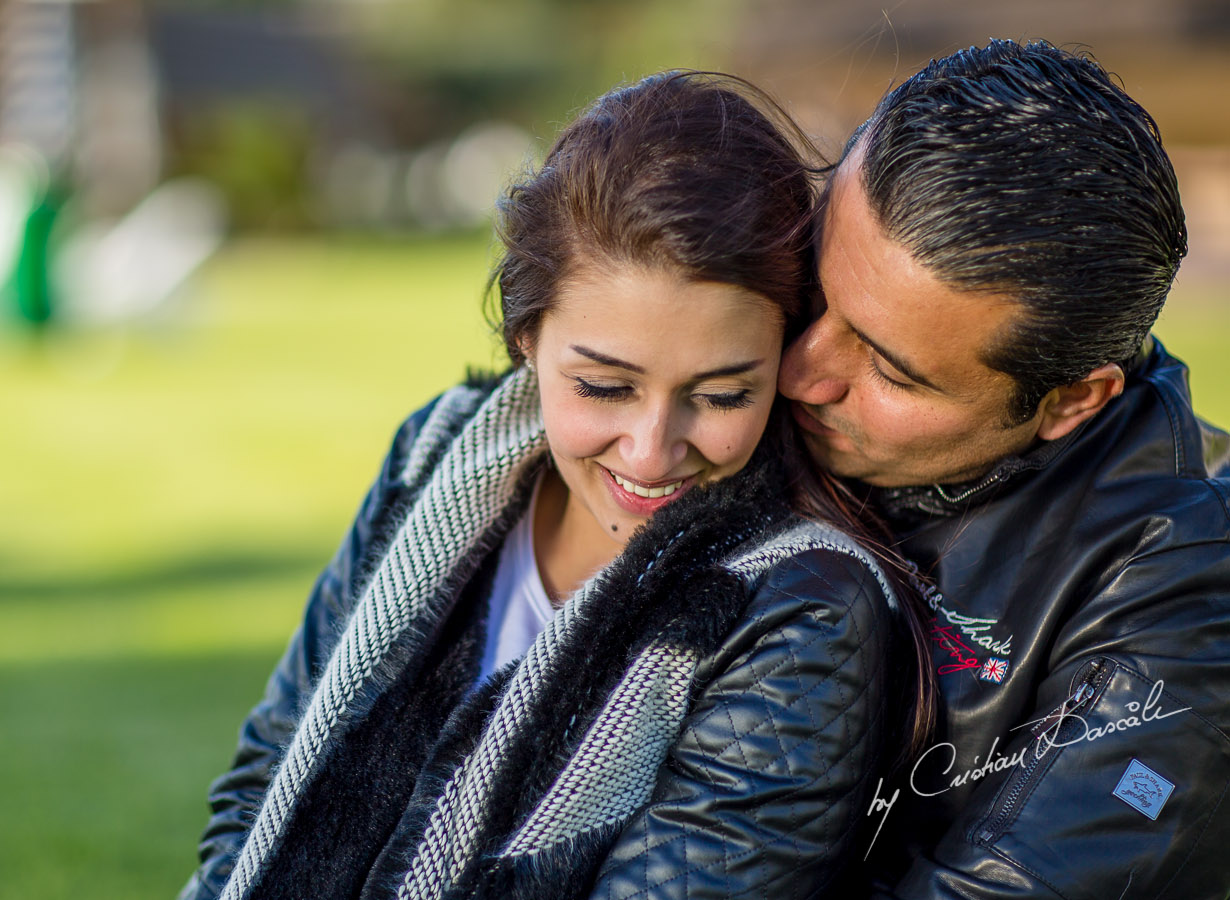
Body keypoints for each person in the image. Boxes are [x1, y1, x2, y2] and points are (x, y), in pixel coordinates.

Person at [178, 72, 932, 900]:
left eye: (721, 396)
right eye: (605, 387)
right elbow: (269, 776)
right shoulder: (438, 451)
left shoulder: (800, 607)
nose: (650, 454)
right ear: (527, 337)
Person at [778, 39, 1230, 898]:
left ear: (1069, 401)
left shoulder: (1184, 604)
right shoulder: (732, 344)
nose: (798, 370)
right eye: (817, 284)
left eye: (892, 371)